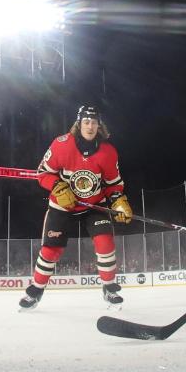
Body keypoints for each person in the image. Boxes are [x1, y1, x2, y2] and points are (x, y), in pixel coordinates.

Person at [20, 105, 131, 309]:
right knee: (50, 250)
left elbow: (113, 184)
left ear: (99, 126)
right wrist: (57, 186)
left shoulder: (108, 152)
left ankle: (109, 288)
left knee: (105, 244)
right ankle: (35, 291)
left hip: (94, 205)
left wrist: (118, 200)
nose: (90, 126)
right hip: (63, 207)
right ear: (79, 124)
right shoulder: (61, 145)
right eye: (86, 122)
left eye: (94, 122)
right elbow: (43, 173)